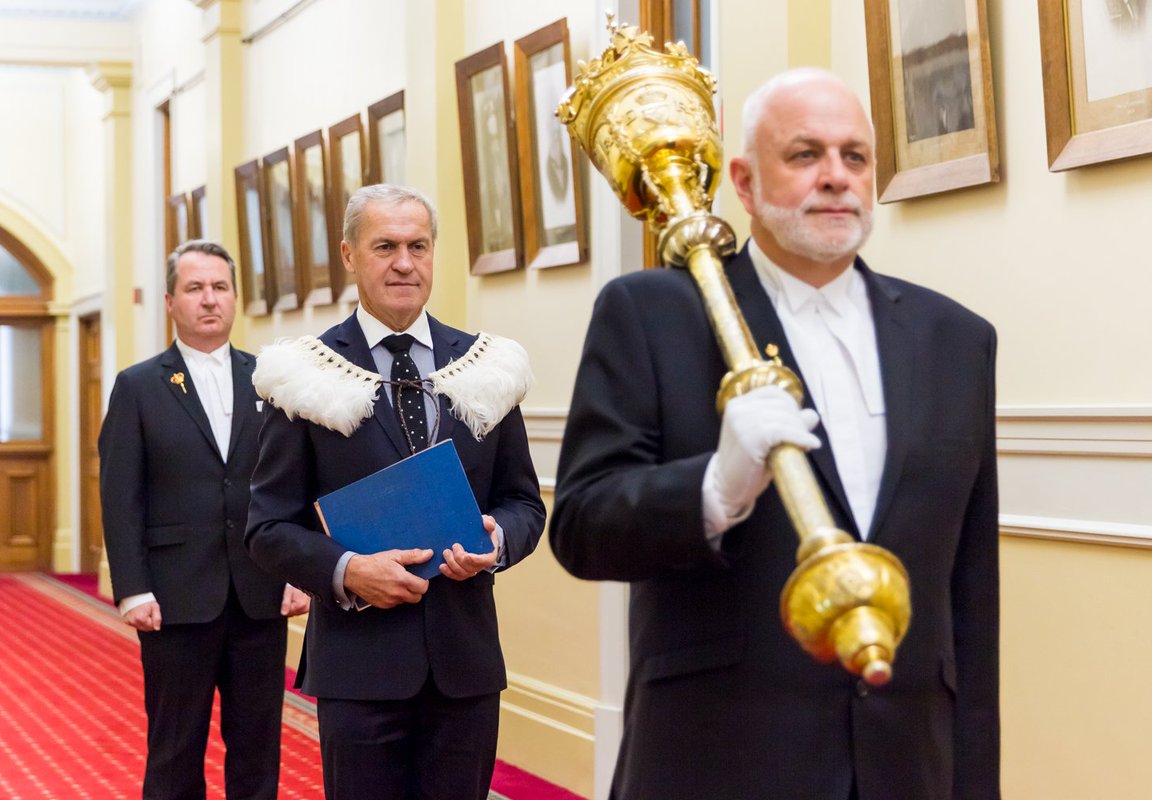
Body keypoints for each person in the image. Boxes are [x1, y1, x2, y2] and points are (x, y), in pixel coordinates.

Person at [550, 69, 999, 800]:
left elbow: (970, 597)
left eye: (855, 157)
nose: (835, 177)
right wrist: (714, 486)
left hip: (906, 763)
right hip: (720, 758)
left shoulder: (955, 338)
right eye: (804, 155)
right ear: (745, 183)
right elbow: (581, 525)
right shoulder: (654, 312)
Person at [245, 184, 546, 800]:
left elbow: (524, 503)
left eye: (418, 246)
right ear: (351, 256)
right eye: (385, 246)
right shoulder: (307, 373)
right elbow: (268, 528)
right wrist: (349, 571)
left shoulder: (486, 365)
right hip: (359, 668)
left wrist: (499, 540)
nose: (404, 263)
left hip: (466, 666)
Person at [99, 239, 310, 800]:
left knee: (259, 745)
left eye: (220, 287)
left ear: (236, 298)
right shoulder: (138, 385)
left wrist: (299, 569)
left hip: (260, 594)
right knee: (174, 750)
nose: (209, 300)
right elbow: (121, 496)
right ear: (170, 301)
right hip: (173, 600)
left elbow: (296, 483)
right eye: (195, 289)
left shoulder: (271, 377)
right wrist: (132, 589)